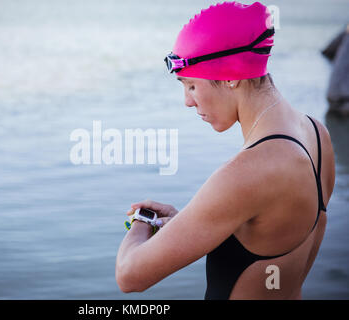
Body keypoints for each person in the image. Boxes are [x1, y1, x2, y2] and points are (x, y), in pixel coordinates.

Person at [115, 1, 335, 300]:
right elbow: (271, 238)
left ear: (231, 76)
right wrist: (188, 222)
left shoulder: (246, 174)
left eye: (191, 85)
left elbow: (129, 276)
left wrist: (141, 221)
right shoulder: (316, 135)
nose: (187, 101)